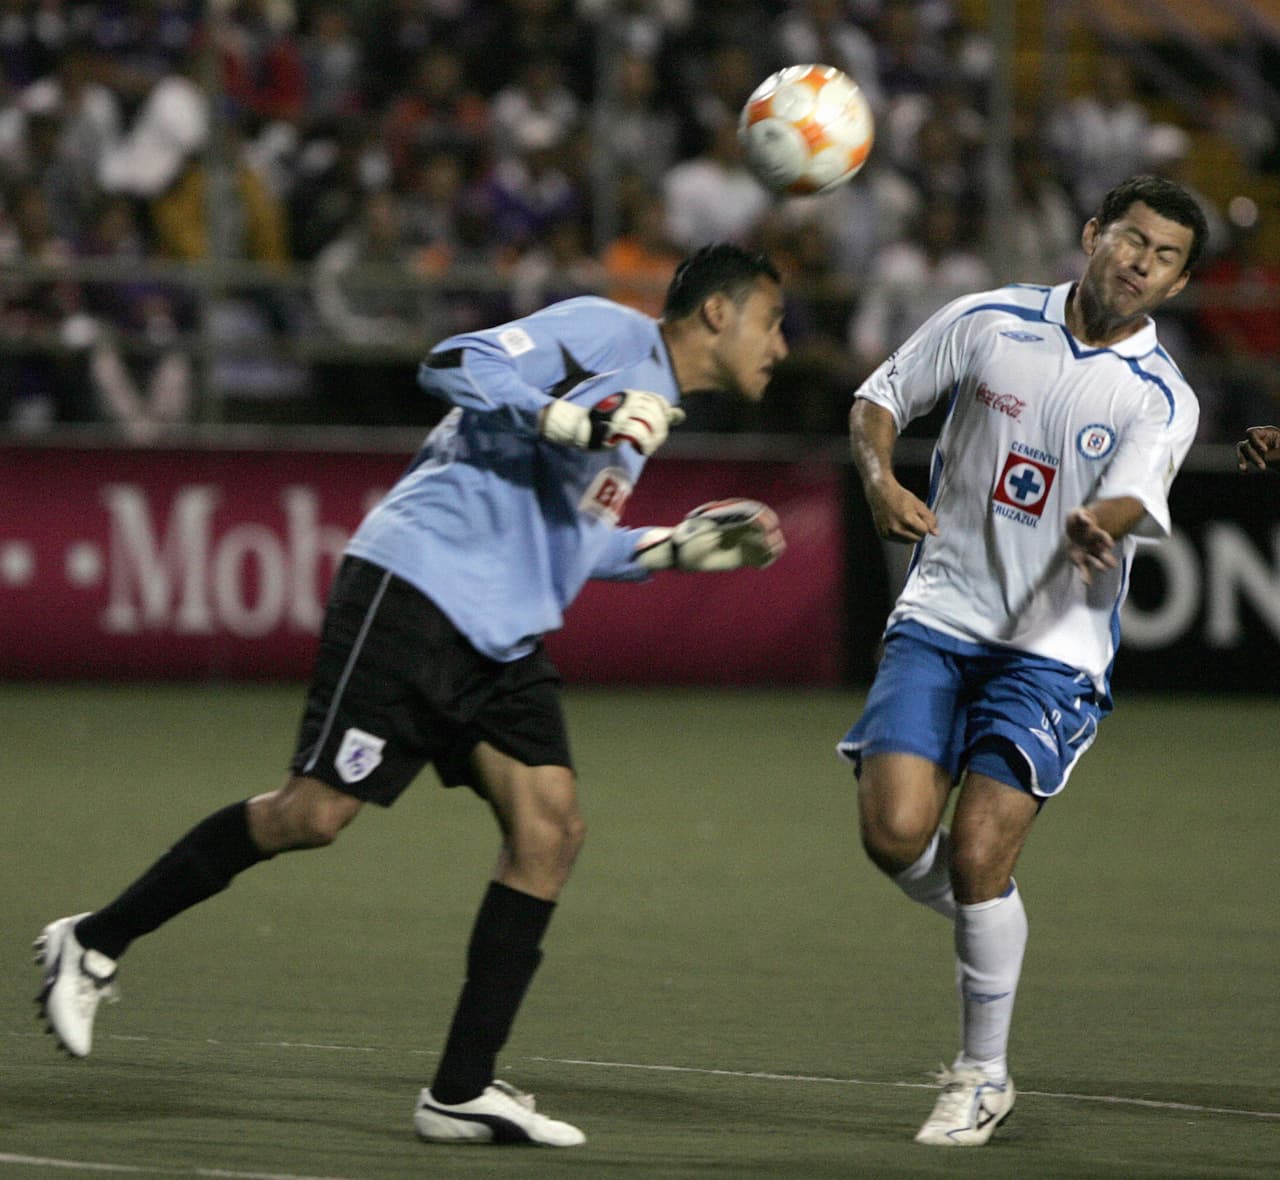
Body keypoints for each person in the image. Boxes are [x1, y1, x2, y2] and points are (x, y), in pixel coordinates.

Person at [33, 242, 788, 1149]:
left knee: (550, 828)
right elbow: (453, 362)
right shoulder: (606, 334)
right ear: (717, 312)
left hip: (500, 632)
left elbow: (573, 541)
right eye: (773, 322)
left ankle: (461, 1091)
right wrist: (572, 423)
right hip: (420, 587)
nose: (782, 347)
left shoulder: (653, 408)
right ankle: (94, 939)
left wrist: (674, 547)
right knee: (312, 815)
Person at [840, 175, 1208, 1147]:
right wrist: (878, 479)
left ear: (1172, 284)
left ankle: (982, 1072)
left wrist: (1100, 520)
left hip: (1050, 652)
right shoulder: (987, 319)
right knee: (892, 833)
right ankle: (984, 908)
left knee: (972, 851)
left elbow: (1134, 494)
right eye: (1129, 238)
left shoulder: (1160, 396)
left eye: (1162, 256)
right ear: (1090, 234)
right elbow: (877, 398)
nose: (1138, 261)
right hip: (938, 613)